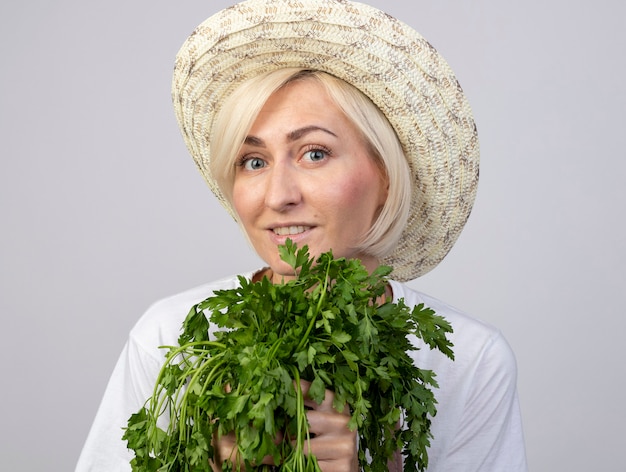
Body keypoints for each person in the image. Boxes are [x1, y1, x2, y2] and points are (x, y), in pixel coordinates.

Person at [76, 0, 527, 471]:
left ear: (387, 175)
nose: (277, 196)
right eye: (254, 161)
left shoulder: (471, 363)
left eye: (314, 153)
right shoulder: (173, 339)